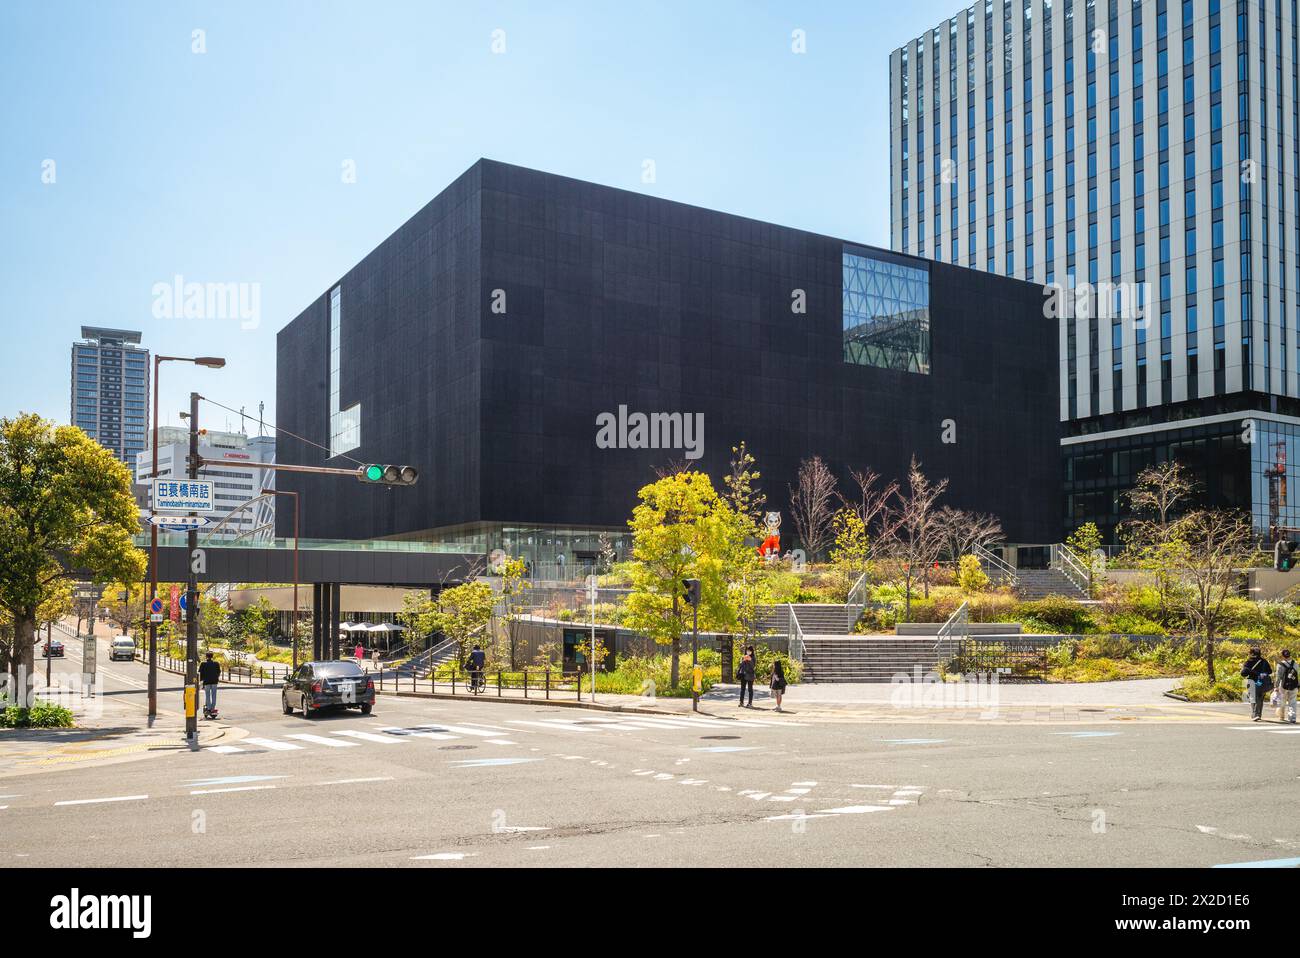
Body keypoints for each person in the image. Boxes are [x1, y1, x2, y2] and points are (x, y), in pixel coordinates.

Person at [1240, 647, 1273, 722]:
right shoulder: (1264, 661)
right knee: (1260, 699)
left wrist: (1249, 670)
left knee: (1253, 698)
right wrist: (1262, 673)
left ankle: (1255, 714)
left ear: (1251, 653)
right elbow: (1270, 671)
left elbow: (1243, 673)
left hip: (1251, 681)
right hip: (1262, 682)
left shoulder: (1249, 662)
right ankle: (1258, 714)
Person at [1275, 649, 1298, 724]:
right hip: (1294, 685)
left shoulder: (1280, 664)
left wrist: (1276, 686)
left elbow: (1278, 677)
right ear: (1290, 655)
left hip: (1283, 685)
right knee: (1293, 702)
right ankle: (1292, 718)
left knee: (1282, 701)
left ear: (1282, 656)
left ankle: (1281, 716)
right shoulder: (1295, 663)